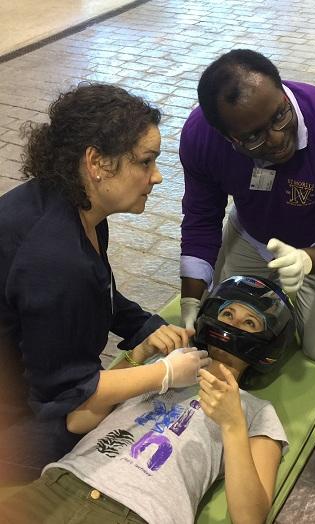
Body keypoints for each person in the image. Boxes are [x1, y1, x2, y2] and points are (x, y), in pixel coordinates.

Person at [0, 84, 202, 482]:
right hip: (12, 424)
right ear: (97, 162)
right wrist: (164, 375)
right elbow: (70, 394)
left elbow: (98, 289)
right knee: (93, 420)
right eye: (146, 162)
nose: (157, 177)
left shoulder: (72, 205)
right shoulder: (57, 259)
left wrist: (144, 326)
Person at [0, 276, 294, 524]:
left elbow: (249, 518)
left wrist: (232, 425)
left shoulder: (256, 411)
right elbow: (79, 420)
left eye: (250, 322)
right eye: (228, 314)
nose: (234, 324)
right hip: (60, 485)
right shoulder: (162, 368)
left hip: (141, 514)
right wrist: (139, 354)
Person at [178, 49, 315, 364]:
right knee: (216, 323)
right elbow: (200, 219)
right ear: (226, 137)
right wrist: (190, 302)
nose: (275, 138)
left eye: (279, 116)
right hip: (253, 232)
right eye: (253, 137)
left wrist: (307, 260)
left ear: (283, 92)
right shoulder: (200, 135)